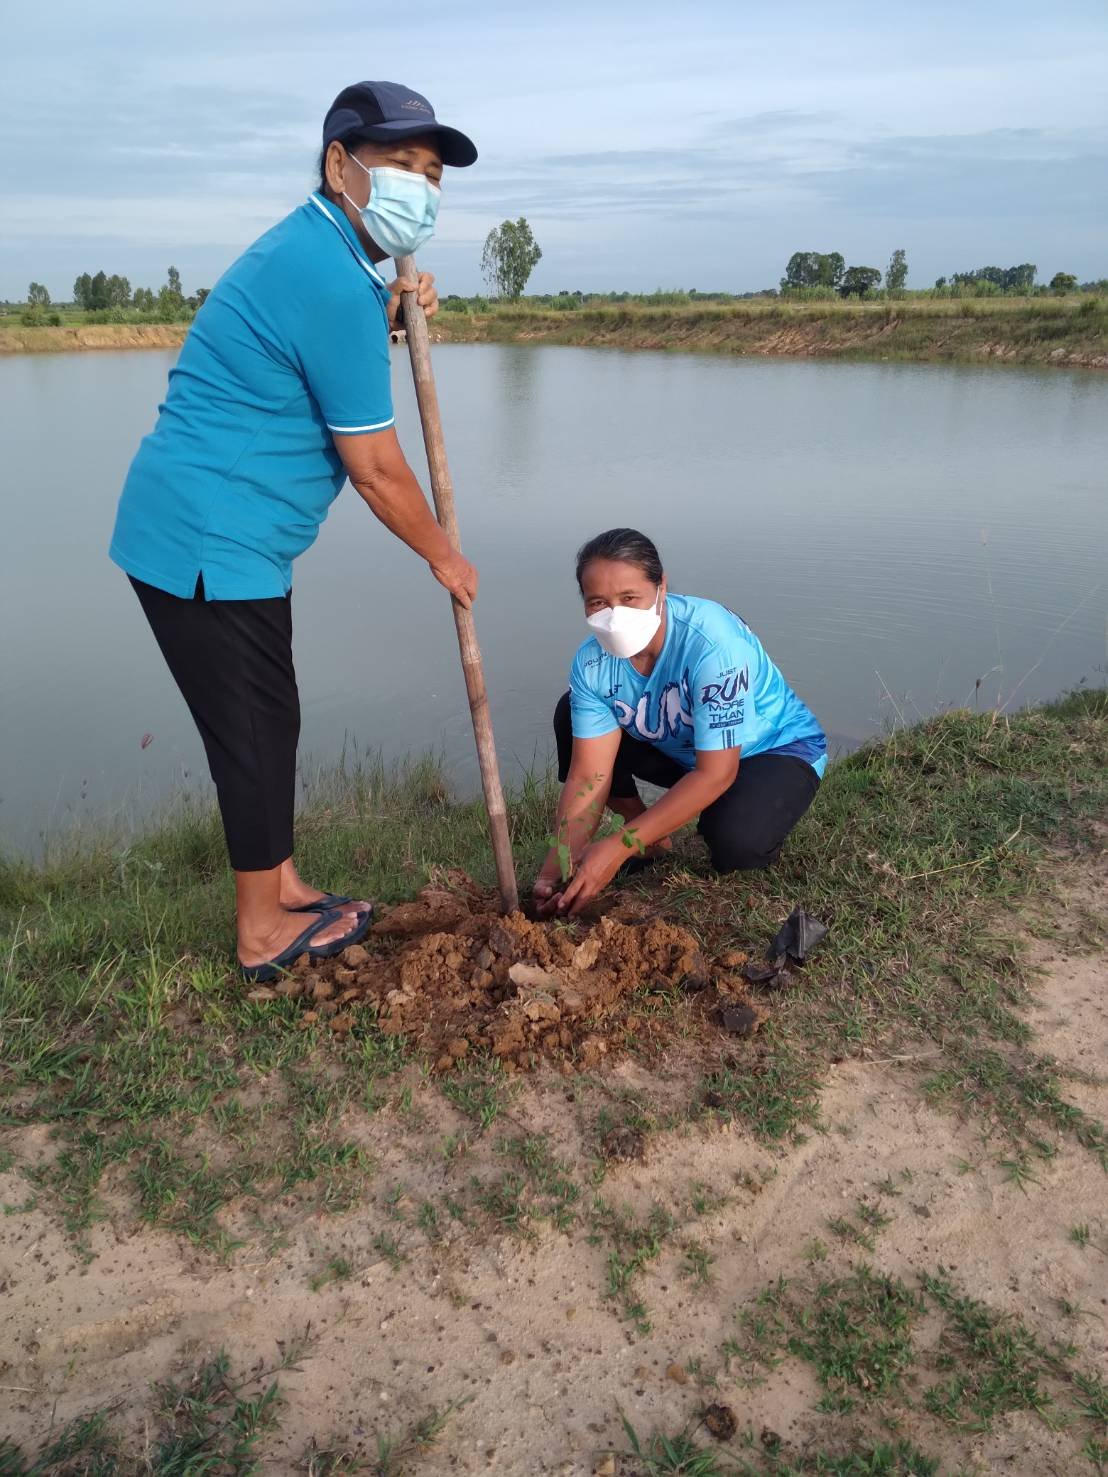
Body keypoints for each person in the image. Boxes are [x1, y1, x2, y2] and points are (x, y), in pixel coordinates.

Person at [109, 82, 479, 981]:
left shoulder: (330, 262)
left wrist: (387, 317)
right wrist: (445, 554)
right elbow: (378, 467)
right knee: (254, 728)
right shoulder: (327, 277)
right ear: (338, 164)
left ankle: (283, 887)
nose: (419, 186)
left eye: (432, 173)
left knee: (270, 716)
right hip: (206, 539)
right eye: (399, 163)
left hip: (226, 537)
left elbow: (310, 362)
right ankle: (260, 931)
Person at [533, 529, 826, 916]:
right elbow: (590, 776)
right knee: (569, 710)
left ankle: (667, 829)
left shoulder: (712, 644)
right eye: (598, 603)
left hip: (772, 750)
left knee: (736, 844)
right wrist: (557, 867)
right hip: (687, 752)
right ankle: (650, 836)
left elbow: (716, 773)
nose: (614, 615)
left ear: (661, 588)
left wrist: (618, 846)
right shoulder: (592, 663)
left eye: (629, 598)